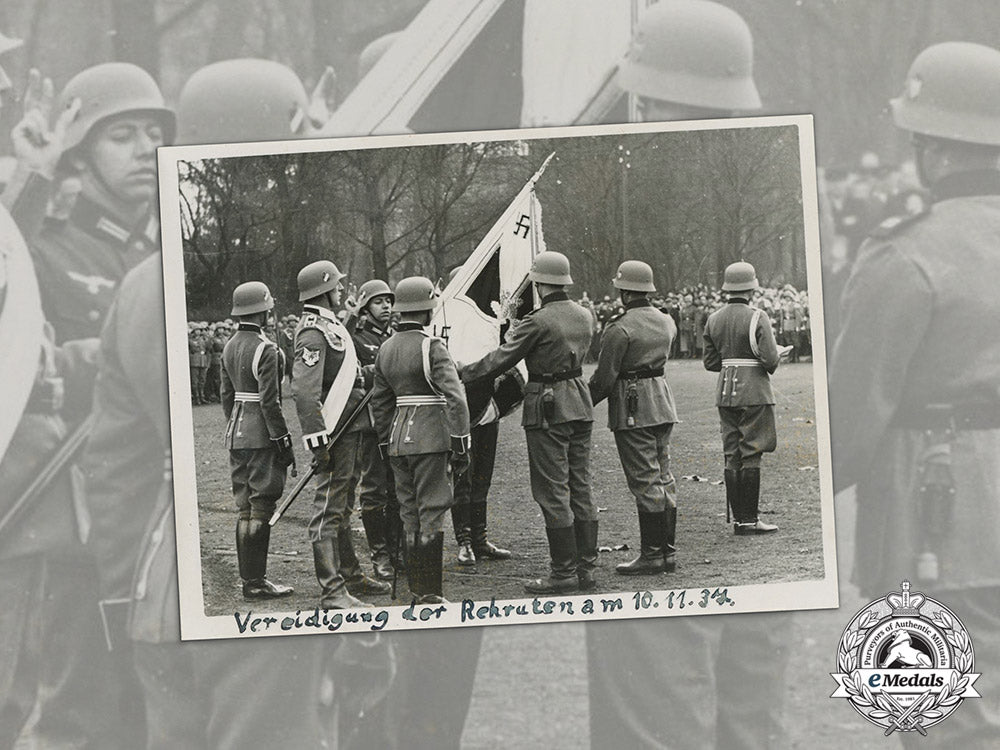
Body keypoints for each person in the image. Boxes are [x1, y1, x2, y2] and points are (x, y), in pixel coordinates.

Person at [829, 41, 1000, 746]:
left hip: (936, 512)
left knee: (943, 720)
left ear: (931, 149)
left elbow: (851, 414)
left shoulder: (906, 251)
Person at [461, 250, 596, 594]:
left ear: (538, 282)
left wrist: (460, 373)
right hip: (579, 401)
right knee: (579, 484)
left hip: (548, 405)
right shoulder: (584, 315)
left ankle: (563, 573)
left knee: (552, 490)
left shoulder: (538, 321)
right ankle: (586, 568)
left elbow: (500, 360)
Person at [27, 62, 173, 345]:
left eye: (155, 135)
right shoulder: (44, 252)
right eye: (122, 136)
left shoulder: (178, 244)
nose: (146, 150)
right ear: (79, 155)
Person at [292, 259, 390, 608]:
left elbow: (344, 375)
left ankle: (349, 575)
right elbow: (305, 391)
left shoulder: (329, 325)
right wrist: (318, 441)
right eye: (337, 285)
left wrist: (377, 368)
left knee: (344, 504)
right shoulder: (312, 332)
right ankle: (332, 591)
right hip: (335, 431)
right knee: (329, 509)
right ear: (325, 289)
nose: (341, 290)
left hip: (352, 426)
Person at [370, 276, 471, 604]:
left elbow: (380, 403)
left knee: (409, 511)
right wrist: (461, 441)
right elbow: (456, 397)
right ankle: (428, 592)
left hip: (398, 439)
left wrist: (386, 442)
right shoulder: (432, 346)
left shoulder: (386, 348)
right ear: (427, 309)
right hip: (430, 437)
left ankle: (417, 587)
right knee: (432, 510)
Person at [588, 260, 679, 575]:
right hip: (662, 401)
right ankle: (666, 552)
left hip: (633, 406)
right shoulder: (666, 321)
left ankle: (653, 555)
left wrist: (583, 402)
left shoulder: (620, 326)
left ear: (624, 292)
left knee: (644, 480)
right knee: (663, 476)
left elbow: (604, 377)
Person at [220, 281, 295, 599]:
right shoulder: (267, 349)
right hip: (261, 433)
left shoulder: (229, 346)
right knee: (262, 504)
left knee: (245, 506)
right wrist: (283, 439)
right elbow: (270, 402)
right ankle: (255, 582)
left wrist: (236, 426)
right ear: (264, 310)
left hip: (236, 431)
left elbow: (226, 395)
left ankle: (250, 580)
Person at [703, 261, 782, 535]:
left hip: (725, 391)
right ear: (752, 288)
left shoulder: (714, 318)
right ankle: (749, 520)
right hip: (754, 390)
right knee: (752, 453)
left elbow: (711, 362)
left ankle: (739, 520)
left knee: (732, 453)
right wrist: (772, 356)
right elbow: (770, 360)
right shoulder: (757, 316)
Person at [348, 278, 401, 581]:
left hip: (398, 419)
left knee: (399, 489)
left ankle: (397, 552)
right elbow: (350, 374)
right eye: (379, 302)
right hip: (371, 423)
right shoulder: (356, 339)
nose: (387, 307)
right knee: (374, 491)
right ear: (366, 306)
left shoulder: (394, 337)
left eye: (389, 302)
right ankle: (380, 555)